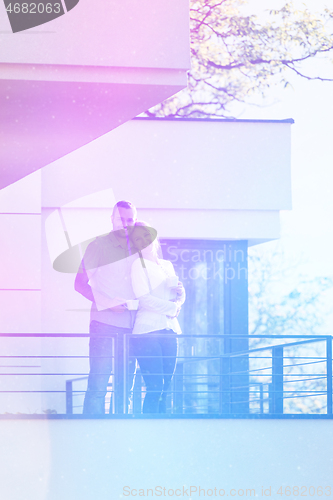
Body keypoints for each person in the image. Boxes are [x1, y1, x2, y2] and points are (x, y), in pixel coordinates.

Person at [74, 200, 138, 414]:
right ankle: (89, 439)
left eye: (130, 220)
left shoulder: (140, 250)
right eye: (122, 219)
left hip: (133, 330)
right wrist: (108, 304)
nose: (126, 224)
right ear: (112, 220)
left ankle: (120, 440)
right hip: (104, 327)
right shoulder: (98, 246)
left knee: (125, 390)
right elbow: (79, 283)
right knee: (98, 386)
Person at [130, 221, 186, 413]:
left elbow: (179, 293)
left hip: (169, 330)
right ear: (135, 245)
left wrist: (180, 296)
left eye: (146, 236)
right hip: (147, 332)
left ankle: (163, 429)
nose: (143, 241)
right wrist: (172, 308)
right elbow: (144, 299)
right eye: (138, 239)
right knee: (156, 387)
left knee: (166, 387)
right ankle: (148, 430)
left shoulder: (167, 265)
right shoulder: (138, 265)